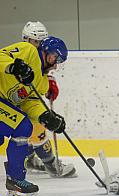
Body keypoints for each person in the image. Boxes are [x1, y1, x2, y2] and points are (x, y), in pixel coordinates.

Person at [0, 36, 68, 196]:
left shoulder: (42, 82)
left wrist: (46, 116)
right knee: (22, 127)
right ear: (47, 52)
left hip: (4, 105)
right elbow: (1, 55)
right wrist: (13, 67)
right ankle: (16, 180)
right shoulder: (28, 51)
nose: (56, 65)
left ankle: (15, 180)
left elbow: (30, 103)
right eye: (55, 58)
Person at [22, 21, 76, 177]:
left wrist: (49, 79)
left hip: (23, 99)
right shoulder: (24, 55)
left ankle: (30, 158)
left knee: (31, 126)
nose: (40, 45)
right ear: (27, 39)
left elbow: (41, 73)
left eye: (42, 41)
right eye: (36, 41)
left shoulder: (39, 58)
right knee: (37, 125)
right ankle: (50, 163)